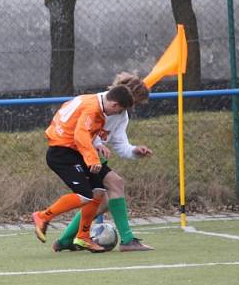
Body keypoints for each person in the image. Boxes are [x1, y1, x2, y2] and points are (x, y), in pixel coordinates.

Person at [52, 73, 154, 253]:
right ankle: (128, 241)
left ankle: (65, 240)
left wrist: (135, 151)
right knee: (115, 184)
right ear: (123, 97)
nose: (133, 107)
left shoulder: (121, 115)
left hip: (93, 156)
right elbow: (83, 130)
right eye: (134, 102)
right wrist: (97, 145)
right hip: (78, 153)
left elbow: (121, 145)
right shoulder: (100, 106)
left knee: (103, 201)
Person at [32, 85, 134, 252]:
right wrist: (92, 158)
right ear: (114, 105)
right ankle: (43, 216)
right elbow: (80, 134)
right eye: (119, 110)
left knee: (99, 191)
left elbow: (67, 109)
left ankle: (83, 237)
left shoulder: (91, 100)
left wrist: (97, 145)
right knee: (85, 195)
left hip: (74, 150)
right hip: (62, 153)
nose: (117, 114)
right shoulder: (92, 109)